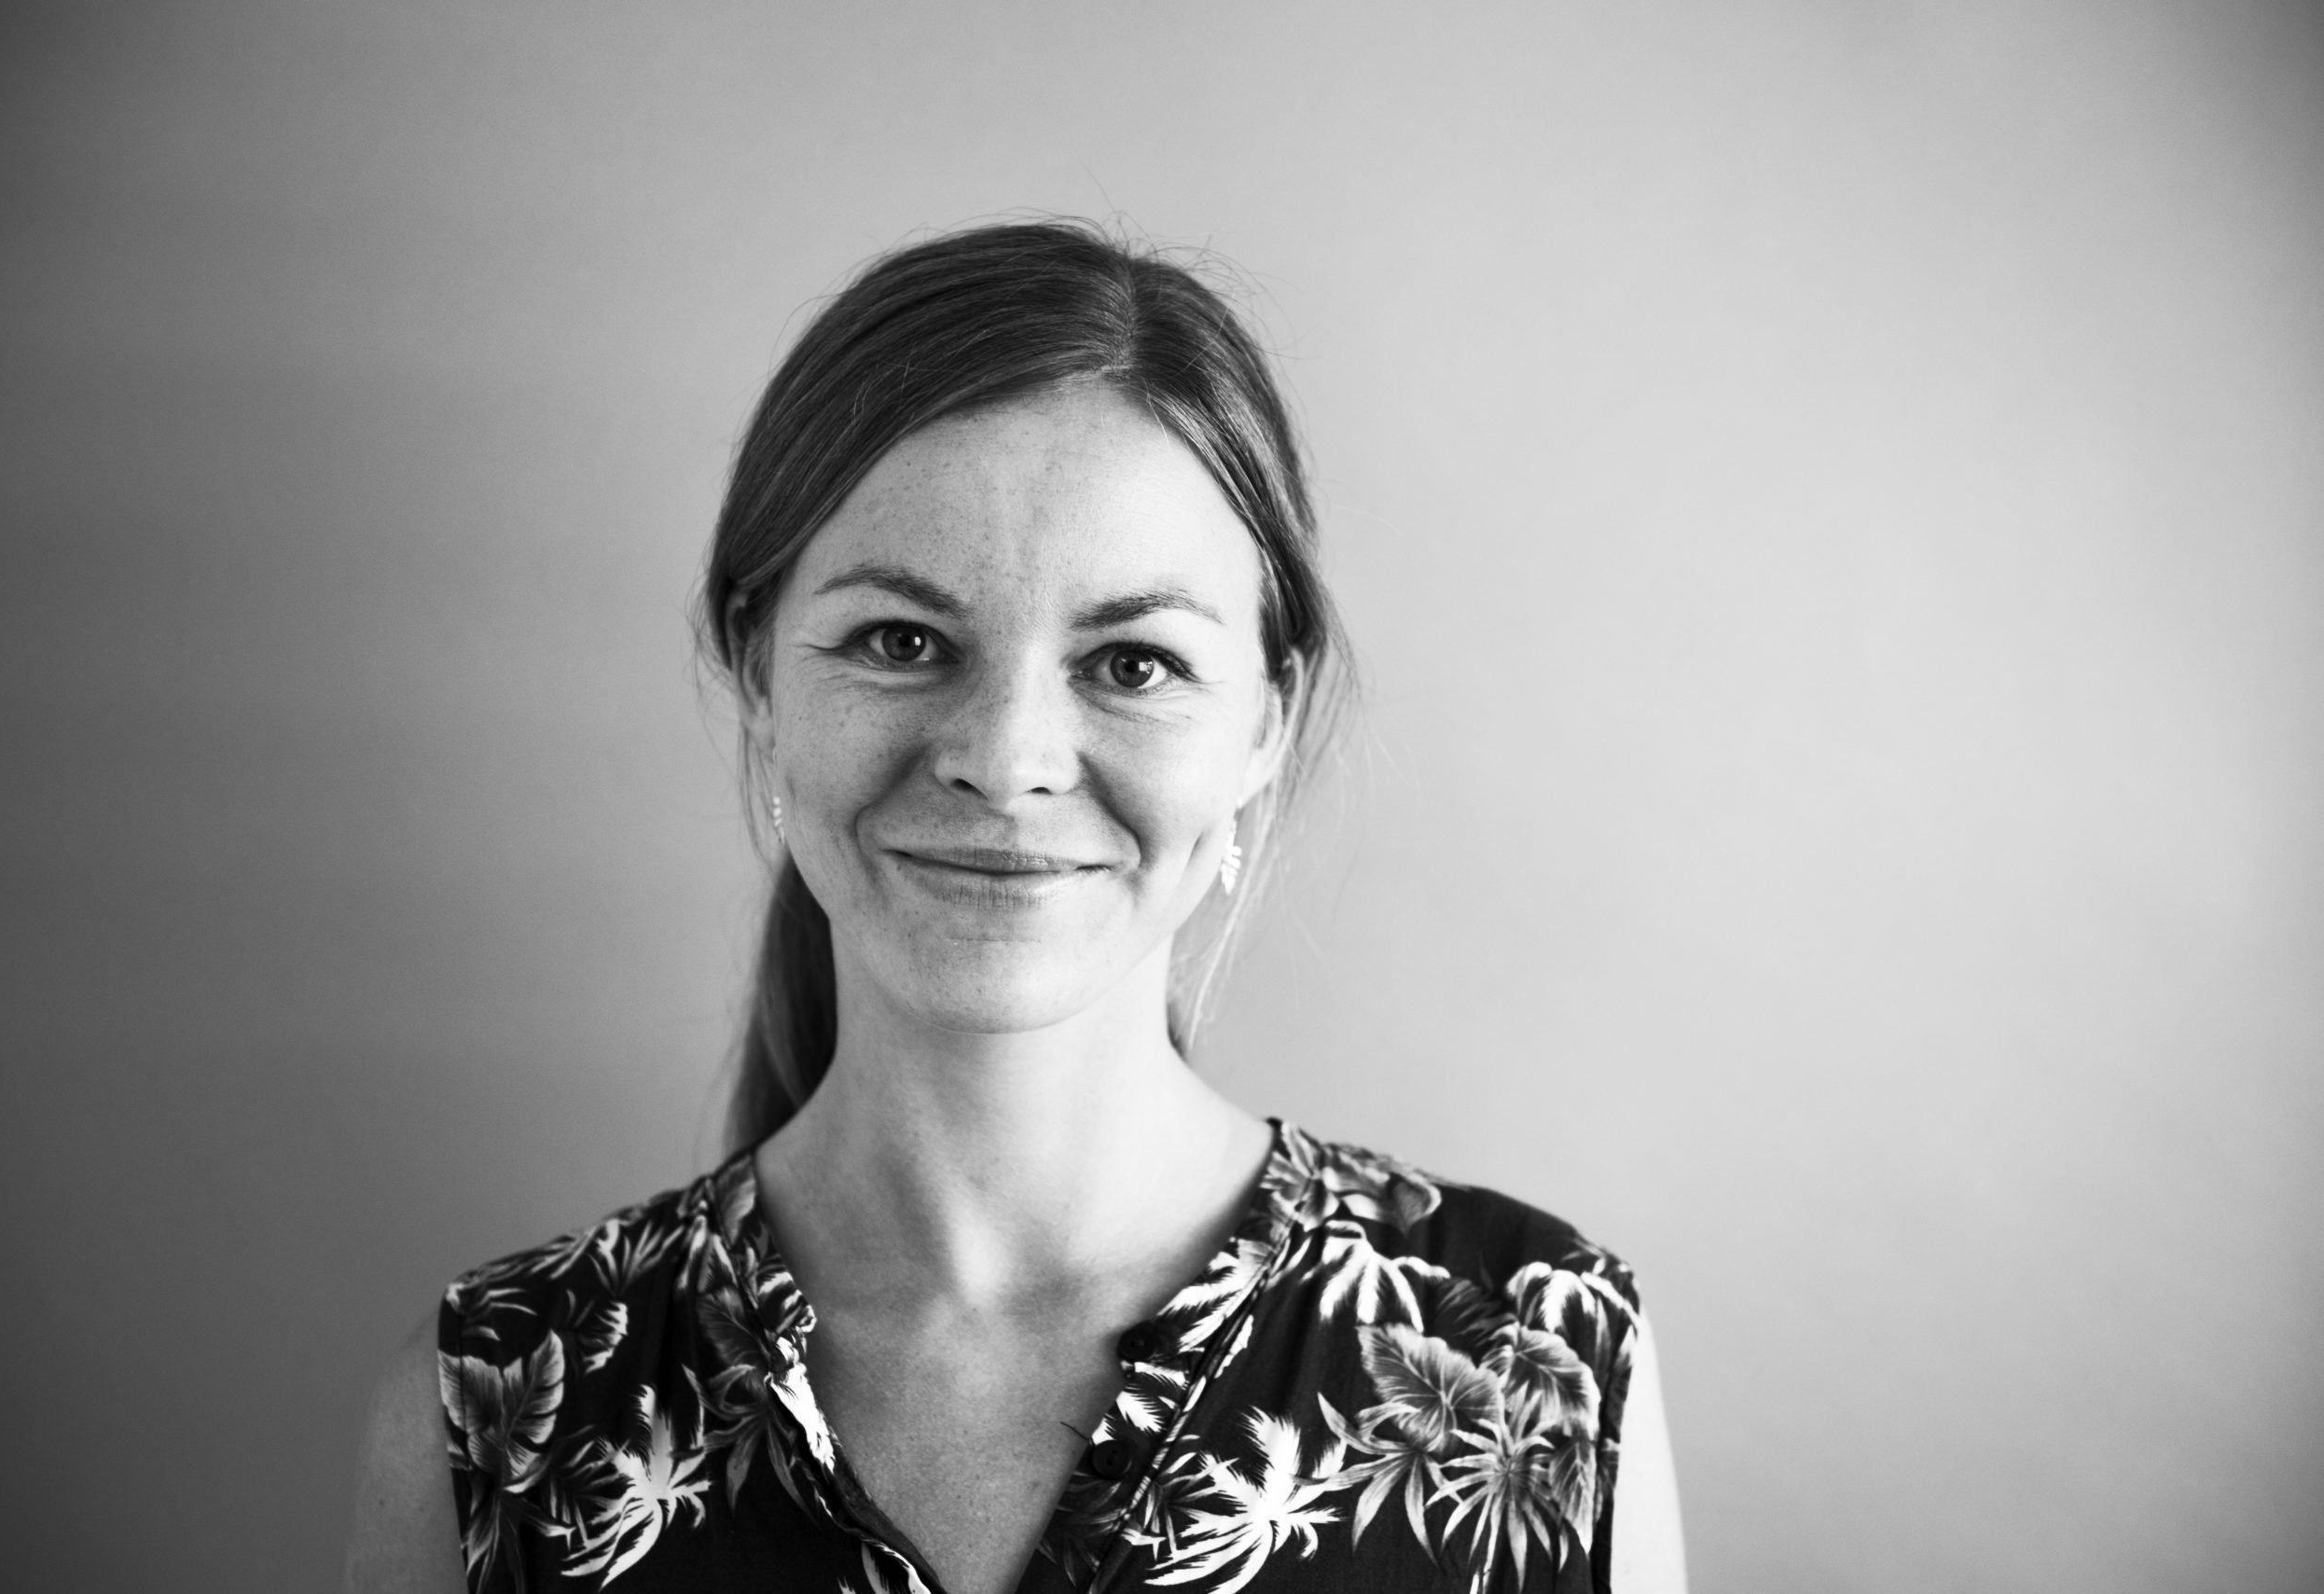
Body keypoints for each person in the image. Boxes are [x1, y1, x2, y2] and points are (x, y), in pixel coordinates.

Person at [344, 219, 1687, 1594]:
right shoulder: (494, 1425)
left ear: (1264, 727)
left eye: (1134, 662)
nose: (1005, 759)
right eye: (902, 640)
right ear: (760, 679)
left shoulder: (1542, 1377)